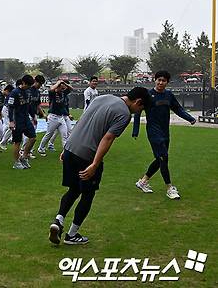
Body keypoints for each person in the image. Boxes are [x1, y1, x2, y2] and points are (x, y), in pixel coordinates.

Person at [48, 87, 151, 245]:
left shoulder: (102, 98)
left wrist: (66, 147)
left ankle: (58, 220)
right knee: (87, 195)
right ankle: (72, 235)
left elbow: (81, 121)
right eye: (141, 109)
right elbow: (108, 138)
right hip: (87, 155)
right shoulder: (124, 114)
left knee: (74, 189)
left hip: (70, 149)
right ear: (138, 102)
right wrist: (95, 164)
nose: (139, 112)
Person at [133, 70, 196, 199]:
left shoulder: (168, 95)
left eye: (164, 80)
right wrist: (135, 130)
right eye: (159, 80)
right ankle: (169, 188)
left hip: (165, 132)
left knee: (160, 159)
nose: (161, 82)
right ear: (155, 80)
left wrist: (189, 118)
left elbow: (178, 109)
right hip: (153, 132)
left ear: (167, 82)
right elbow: (138, 113)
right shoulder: (148, 96)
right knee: (163, 158)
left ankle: (143, 181)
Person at [8, 75, 37, 169]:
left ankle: (24, 156)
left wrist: (33, 116)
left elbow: (29, 106)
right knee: (17, 142)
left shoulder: (28, 92)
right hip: (17, 120)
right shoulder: (14, 92)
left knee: (33, 138)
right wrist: (11, 121)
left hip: (26, 119)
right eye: (27, 85)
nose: (28, 87)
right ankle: (16, 163)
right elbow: (10, 108)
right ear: (23, 83)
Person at [38, 80, 73, 156]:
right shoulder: (53, 93)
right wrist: (58, 83)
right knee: (49, 134)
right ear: (58, 87)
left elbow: (71, 88)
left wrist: (64, 83)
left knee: (65, 135)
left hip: (61, 117)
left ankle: (66, 151)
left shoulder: (63, 93)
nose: (63, 90)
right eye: (62, 88)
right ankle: (41, 148)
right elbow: (51, 89)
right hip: (53, 117)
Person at [0, 83, 14, 150]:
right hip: (5, 109)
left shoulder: (4, 96)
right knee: (7, 126)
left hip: (3, 110)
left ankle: (1, 142)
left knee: (7, 126)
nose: (9, 94)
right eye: (9, 92)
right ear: (6, 90)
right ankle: (2, 142)